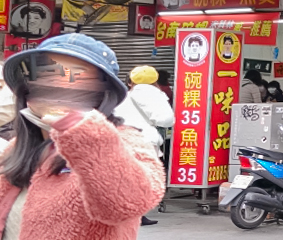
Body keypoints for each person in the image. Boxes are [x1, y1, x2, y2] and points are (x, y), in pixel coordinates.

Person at [0, 33, 164, 239]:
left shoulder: (128, 143)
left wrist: (80, 131)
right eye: (46, 74)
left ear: (103, 94)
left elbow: (127, 203)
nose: (58, 88)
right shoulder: (15, 148)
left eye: (77, 79)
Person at [115, 65, 174, 227]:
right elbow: (166, 120)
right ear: (155, 80)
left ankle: (126, 213)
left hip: (122, 138)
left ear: (130, 81)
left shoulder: (125, 95)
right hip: (144, 141)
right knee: (142, 180)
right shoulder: (155, 95)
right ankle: (137, 215)